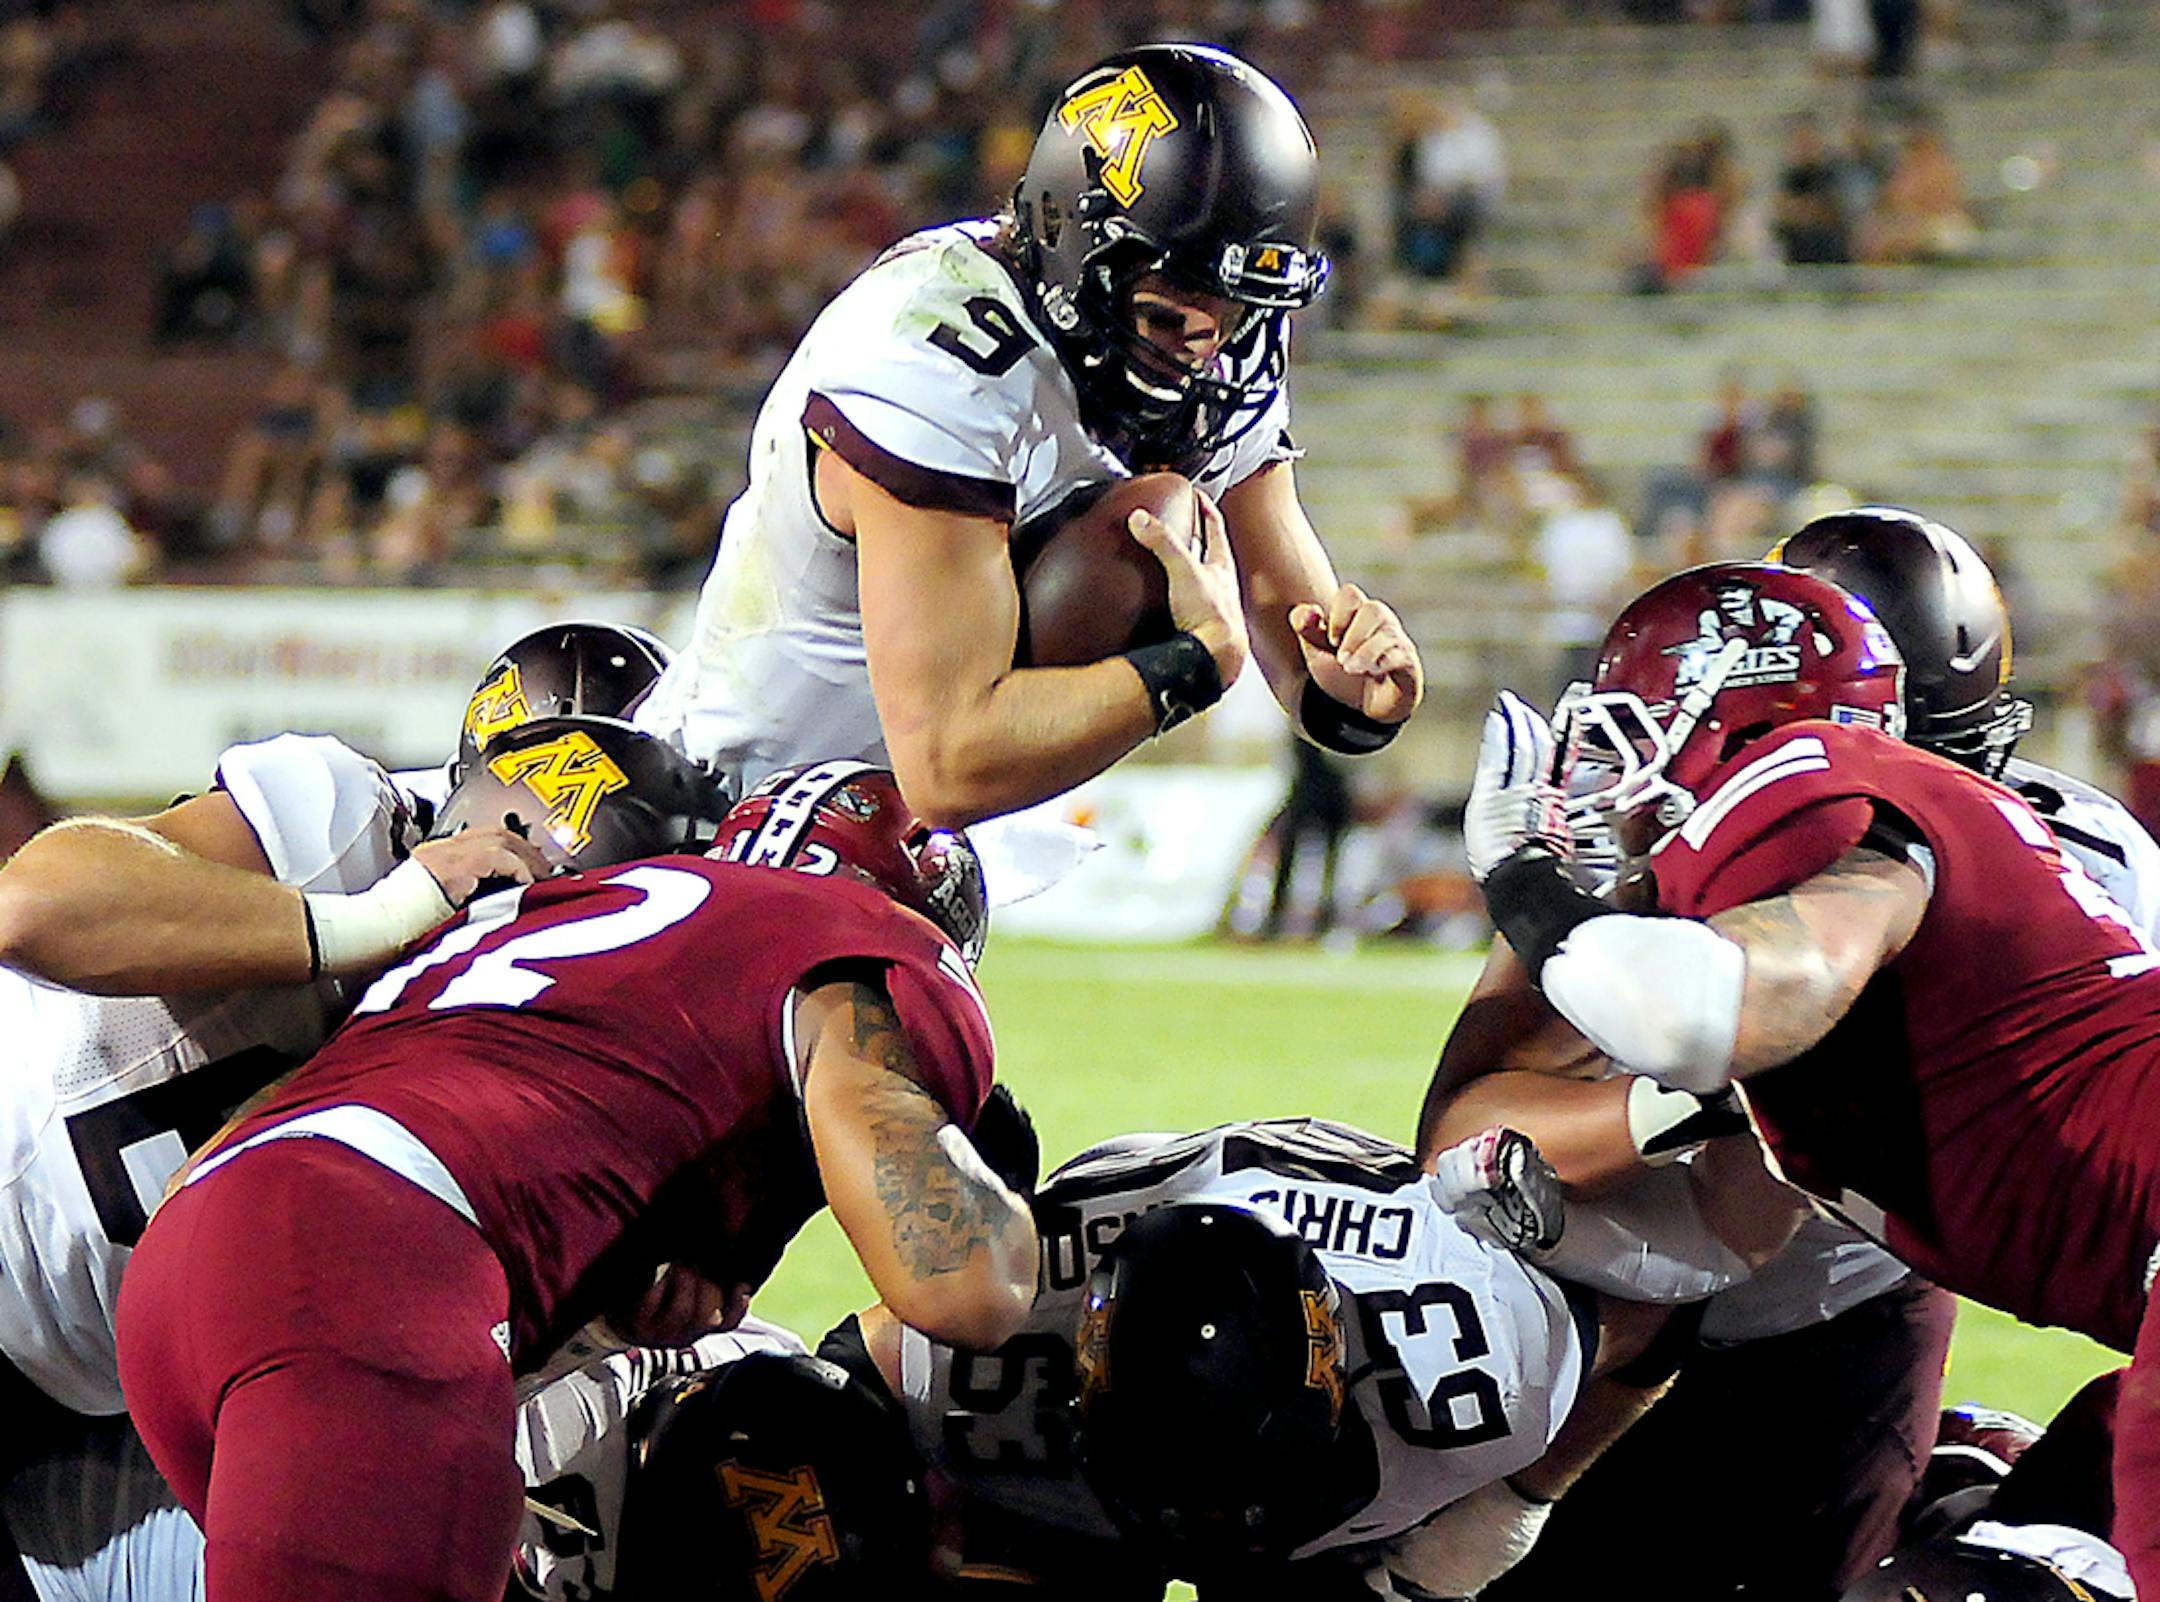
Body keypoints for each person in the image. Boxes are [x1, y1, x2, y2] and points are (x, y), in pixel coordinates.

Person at [1435, 507, 2160, 1602]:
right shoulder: (1912, 837)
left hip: (1870, 1312)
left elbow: (1704, 1025)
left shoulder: (1859, 818)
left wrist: (1532, 890)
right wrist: (1626, 1160)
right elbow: (1707, 1199)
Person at [117, 761, 1037, 1602]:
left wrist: (602, 1289)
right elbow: (962, 1286)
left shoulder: (576, 904)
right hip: (373, 1281)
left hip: (187, 1278)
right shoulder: (863, 946)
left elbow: (274, 1151)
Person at [632, 43, 1423, 829]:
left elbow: (1302, 643)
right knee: (1152, 527)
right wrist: (1185, 670)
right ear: (1072, 243)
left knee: (1161, 513)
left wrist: (1359, 689)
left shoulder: (1216, 344)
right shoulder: (931, 353)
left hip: (901, 824)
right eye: (1168, 305)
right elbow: (947, 765)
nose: (1205, 342)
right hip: (734, 801)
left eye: (1236, 306)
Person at [0, 623, 670, 1426]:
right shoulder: (348, 820)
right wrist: (377, 918)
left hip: (106, 1403)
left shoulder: (569, 1026)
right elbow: (32, 908)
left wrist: (595, 1319)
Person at [834, 1116, 1705, 1598]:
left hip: (1382, 1281)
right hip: (1082, 1453)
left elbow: (1658, 1313)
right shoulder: (996, 1354)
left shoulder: (1481, 1343)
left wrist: (1498, 1516)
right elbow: (844, 1383)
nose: (1214, 1532)